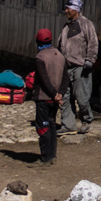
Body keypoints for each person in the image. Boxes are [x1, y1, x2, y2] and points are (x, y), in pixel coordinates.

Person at [58, 0, 99, 133]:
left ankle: (86, 120)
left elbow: (93, 42)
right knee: (65, 97)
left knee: (82, 97)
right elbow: (60, 44)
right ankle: (68, 125)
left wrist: (90, 59)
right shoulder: (66, 26)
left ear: (76, 9)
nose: (66, 11)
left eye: (68, 8)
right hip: (66, 67)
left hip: (80, 66)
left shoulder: (86, 24)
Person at [30, 27, 64, 164]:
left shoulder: (40, 58)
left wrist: (54, 94)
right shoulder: (60, 55)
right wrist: (60, 94)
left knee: (43, 127)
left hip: (43, 98)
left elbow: (43, 80)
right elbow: (66, 78)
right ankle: (52, 156)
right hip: (55, 100)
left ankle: (44, 158)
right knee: (51, 126)